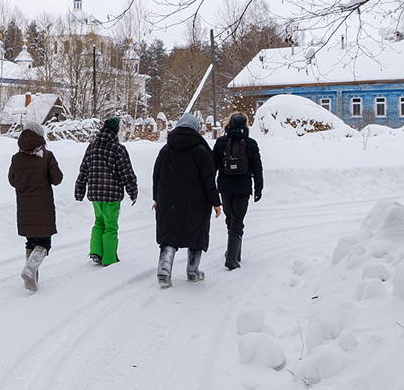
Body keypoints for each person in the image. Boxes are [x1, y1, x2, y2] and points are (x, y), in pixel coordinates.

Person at [152, 113, 222, 288]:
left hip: (168, 202)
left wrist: (156, 199)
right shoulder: (201, 150)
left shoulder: (166, 149)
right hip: (196, 203)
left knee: (169, 236)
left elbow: (157, 176)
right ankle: (192, 271)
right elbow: (208, 180)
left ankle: (164, 273)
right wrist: (215, 202)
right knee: (196, 235)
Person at [73, 117, 139, 266]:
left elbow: (84, 170)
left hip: (95, 194)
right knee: (110, 226)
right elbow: (126, 173)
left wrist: (79, 191)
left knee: (99, 222)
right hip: (112, 195)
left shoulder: (92, 147)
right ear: (116, 131)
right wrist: (132, 192)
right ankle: (109, 259)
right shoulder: (118, 149)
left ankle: (96, 251)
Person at [8, 121, 64, 292]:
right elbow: (57, 179)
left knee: (30, 242)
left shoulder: (16, 158)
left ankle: (31, 279)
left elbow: (12, 181)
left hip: (24, 208)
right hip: (43, 207)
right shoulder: (46, 156)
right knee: (44, 243)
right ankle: (30, 270)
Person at [212, 112, 264, 270]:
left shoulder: (221, 142)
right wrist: (258, 188)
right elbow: (257, 168)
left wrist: (210, 188)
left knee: (230, 218)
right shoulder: (251, 144)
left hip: (225, 186)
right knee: (238, 221)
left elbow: (212, 166)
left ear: (229, 123)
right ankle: (232, 257)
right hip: (243, 187)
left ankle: (233, 253)